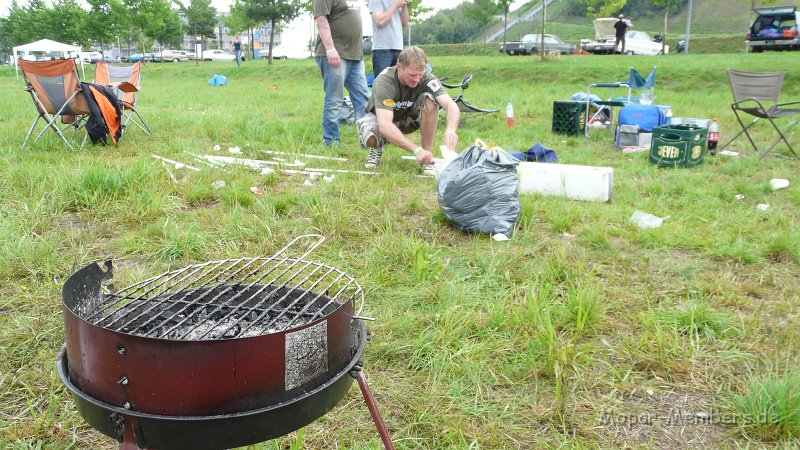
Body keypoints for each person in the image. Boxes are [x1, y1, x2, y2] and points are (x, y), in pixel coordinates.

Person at [356, 46, 460, 169]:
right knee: (371, 138)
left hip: (408, 119)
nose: (417, 79)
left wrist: (451, 130)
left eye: (420, 75)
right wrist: (416, 150)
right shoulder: (384, 81)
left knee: (430, 101)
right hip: (383, 120)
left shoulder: (427, 78)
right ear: (399, 67)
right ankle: (377, 147)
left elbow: (451, 105)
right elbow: (385, 125)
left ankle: (426, 157)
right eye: (412, 75)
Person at [314, 0, 370, 147]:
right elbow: (321, 19)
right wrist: (330, 49)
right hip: (335, 53)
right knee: (335, 99)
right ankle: (331, 142)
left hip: (355, 55)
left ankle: (368, 140)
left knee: (363, 99)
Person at [369, 0, 409, 77]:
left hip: (398, 48)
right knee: (382, 84)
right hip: (382, 49)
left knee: (398, 85)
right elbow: (380, 21)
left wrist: (404, 5)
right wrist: (396, 4)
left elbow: (405, 23)